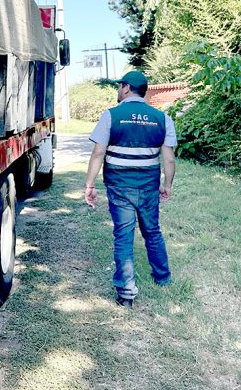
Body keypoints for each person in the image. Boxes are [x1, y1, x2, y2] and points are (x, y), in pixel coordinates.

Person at [83, 71, 176, 308]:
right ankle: (162, 278)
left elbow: (98, 153)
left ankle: (126, 293)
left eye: (119, 87)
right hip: (148, 186)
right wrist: (167, 185)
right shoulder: (163, 118)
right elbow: (169, 159)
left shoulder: (111, 115)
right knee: (152, 231)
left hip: (119, 186)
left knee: (123, 235)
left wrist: (90, 184)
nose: (118, 91)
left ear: (126, 88)